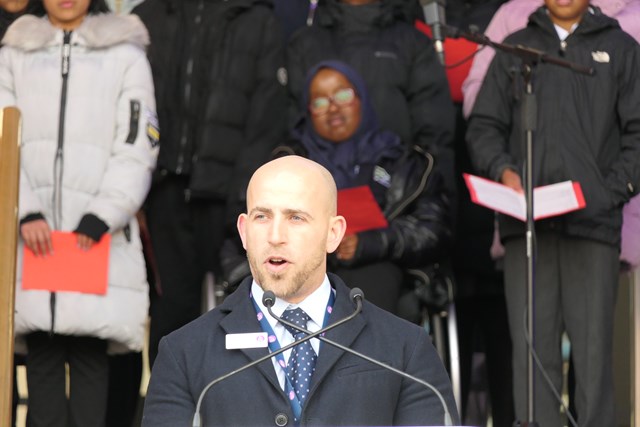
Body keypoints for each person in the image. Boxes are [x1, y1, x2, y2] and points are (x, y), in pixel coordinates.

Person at [142, 156, 459, 427]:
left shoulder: (405, 349)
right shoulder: (182, 353)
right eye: (262, 217)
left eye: (296, 218)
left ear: (333, 234)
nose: (275, 236)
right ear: (243, 231)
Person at [465, 1, 640, 426]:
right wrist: (504, 170)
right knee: (531, 357)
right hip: (525, 227)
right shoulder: (516, 46)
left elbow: (637, 133)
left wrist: (607, 193)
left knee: (594, 358)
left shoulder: (620, 48)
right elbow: (483, 125)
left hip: (593, 227)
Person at [0, 0, 158, 425]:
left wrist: (105, 213)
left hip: (98, 239)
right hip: (30, 241)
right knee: (43, 361)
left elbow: (138, 142)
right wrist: (25, 210)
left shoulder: (126, 53)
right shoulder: (14, 52)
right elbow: (2, 133)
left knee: (92, 362)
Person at [132, 0, 287, 367]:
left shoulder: (258, 19)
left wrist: (245, 197)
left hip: (231, 196)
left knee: (241, 316)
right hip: (163, 192)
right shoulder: (146, 18)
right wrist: (138, 190)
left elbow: (267, 118)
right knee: (171, 318)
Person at [273, 60, 451, 315]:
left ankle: (358, 354)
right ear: (308, 111)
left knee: (374, 276)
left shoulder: (405, 161)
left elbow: (433, 230)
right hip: (306, 272)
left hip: (382, 272)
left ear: (361, 99)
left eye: (342, 95)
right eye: (320, 102)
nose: (333, 108)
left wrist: (372, 243)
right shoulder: (288, 163)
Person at [286, 0, 456, 199]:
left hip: (399, 199)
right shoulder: (304, 44)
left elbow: (434, 139)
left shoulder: (413, 42)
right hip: (315, 195)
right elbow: (293, 130)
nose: (333, 108)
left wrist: (428, 205)